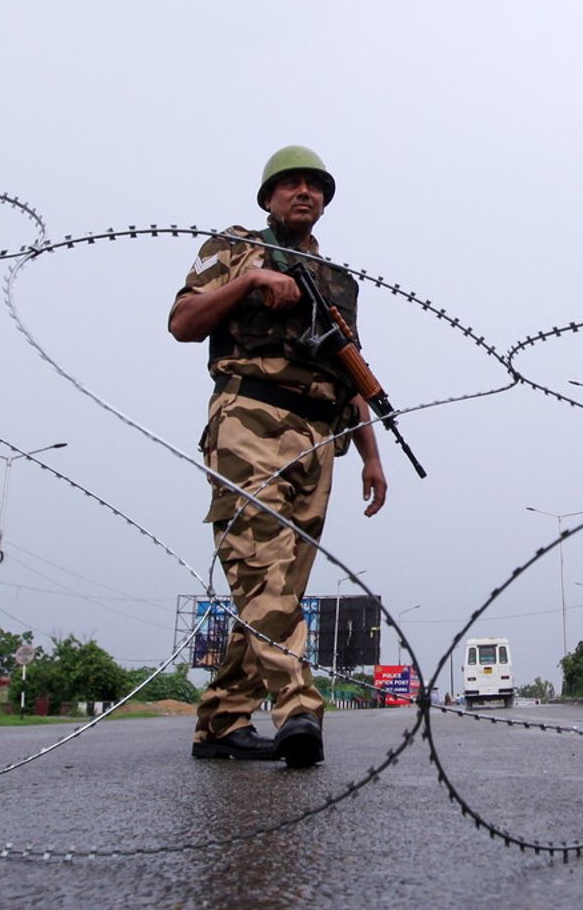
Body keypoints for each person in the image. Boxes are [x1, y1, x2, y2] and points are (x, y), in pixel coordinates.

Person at [170, 145, 388, 767]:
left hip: (320, 440)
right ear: (268, 197)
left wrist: (371, 457)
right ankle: (299, 710)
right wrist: (250, 282)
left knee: (278, 587)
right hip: (250, 422)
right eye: (290, 184)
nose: (304, 193)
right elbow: (183, 322)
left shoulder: (337, 280)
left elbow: (352, 371)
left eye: (315, 186)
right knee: (263, 569)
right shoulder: (234, 247)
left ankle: (221, 724)